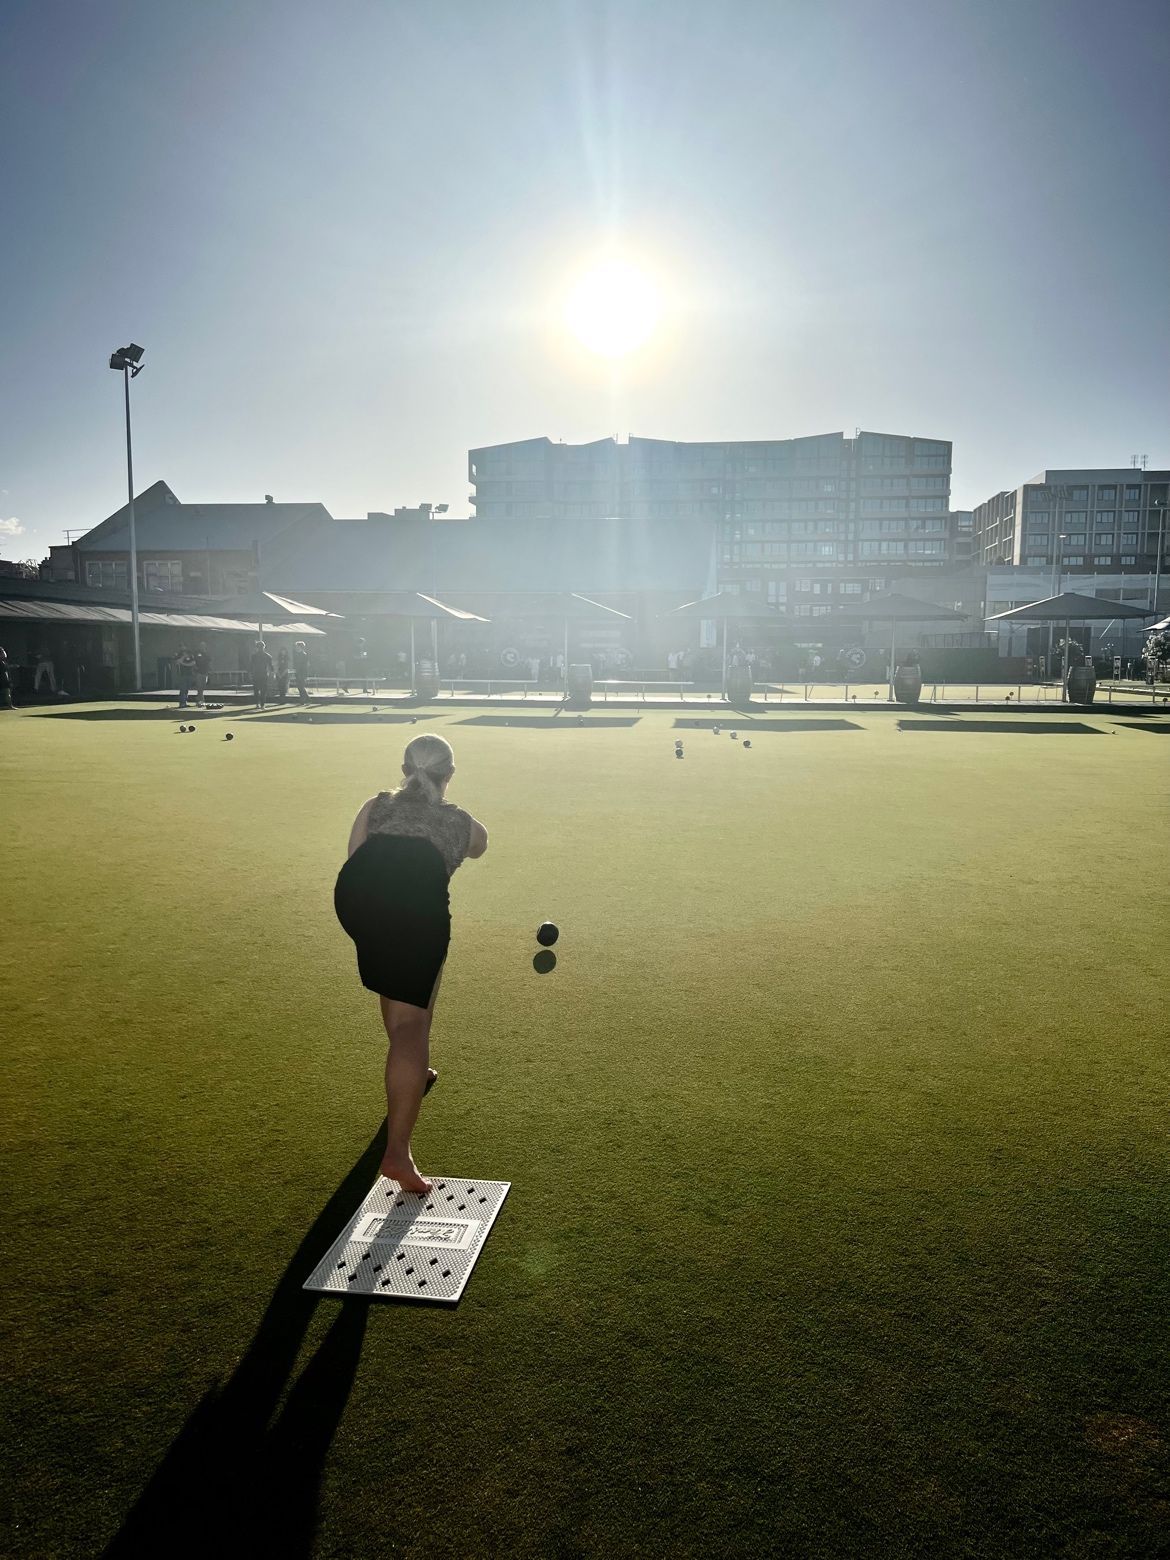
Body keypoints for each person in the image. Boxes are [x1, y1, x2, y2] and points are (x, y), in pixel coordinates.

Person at [336, 734, 489, 1192]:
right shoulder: (456, 820)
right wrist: (449, 809)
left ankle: (414, 1071)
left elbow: (355, 855)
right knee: (411, 1026)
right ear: (450, 774)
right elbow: (481, 844)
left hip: (358, 900)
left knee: (401, 992)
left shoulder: (376, 803)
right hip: (413, 909)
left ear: (404, 767)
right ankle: (397, 1155)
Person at [249, 639, 274, 709]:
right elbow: (271, 666)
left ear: (257, 648)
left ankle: (257, 704)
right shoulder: (268, 656)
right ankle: (262, 705)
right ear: (264, 647)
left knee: (256, 690)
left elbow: (251, 666)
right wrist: (272, 673)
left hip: (256, 674)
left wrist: (250, 673)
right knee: (263, 690)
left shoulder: (254, 656)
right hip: (264, 674)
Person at [176, 643, 196, 708]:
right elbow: (178, 662)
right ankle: (182, 703)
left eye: (184, 646)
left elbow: (193, 663)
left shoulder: (190, 654)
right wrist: (183, 657)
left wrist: (184, 664)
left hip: (189, 674)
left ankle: (185, 702)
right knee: (183, 689)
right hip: (182, 674)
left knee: (187, 689)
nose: (183, 647)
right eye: (181, 646)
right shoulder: (179, 654)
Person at [193, 642, 211, 707]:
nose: (202, 647)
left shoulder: (207, 653)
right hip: (198, 672)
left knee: (202, 687)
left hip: (205, 672)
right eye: (201, 645)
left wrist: (209, 670)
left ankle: (198, 699)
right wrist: (195, 667)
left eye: (203, 646)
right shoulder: (197, 653)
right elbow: (194, 661)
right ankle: (202, 701)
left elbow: (209, 662)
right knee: (199, 687)